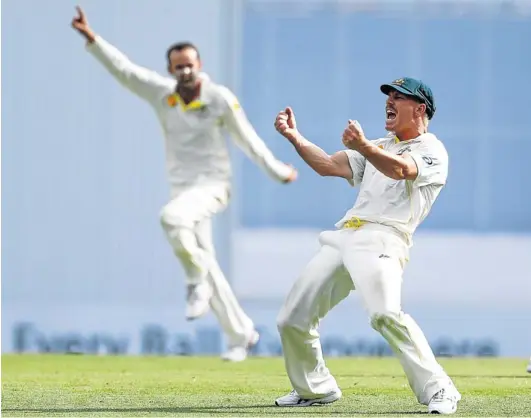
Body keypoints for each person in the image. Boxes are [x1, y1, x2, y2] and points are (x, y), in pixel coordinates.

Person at [71, 6, 297, 362]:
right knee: (205, 255)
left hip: (213, 186)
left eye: (191, 64)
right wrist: (93, 40)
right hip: (183, 189)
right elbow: (126, 72)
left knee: (171, 220)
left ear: (200, 64)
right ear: (170, 70)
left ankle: (194, 282)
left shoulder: (219, 97)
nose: (186, 70)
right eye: (179, 66)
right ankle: (242, 335)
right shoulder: (164, 95)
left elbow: (248, 139)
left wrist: (277, 171)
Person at [273, 77, 461, 414]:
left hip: (385, 238)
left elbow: (401, 170)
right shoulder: (378, 145)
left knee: (384, 315)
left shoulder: (431, 149)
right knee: (292, 318)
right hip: (344, 234)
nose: (389, 101)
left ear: (420, 109)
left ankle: (441, 389)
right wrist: (294, 138)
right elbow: (328, 165)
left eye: (399, 97)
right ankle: (315, 389)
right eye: (388, 95)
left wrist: (363, 147)